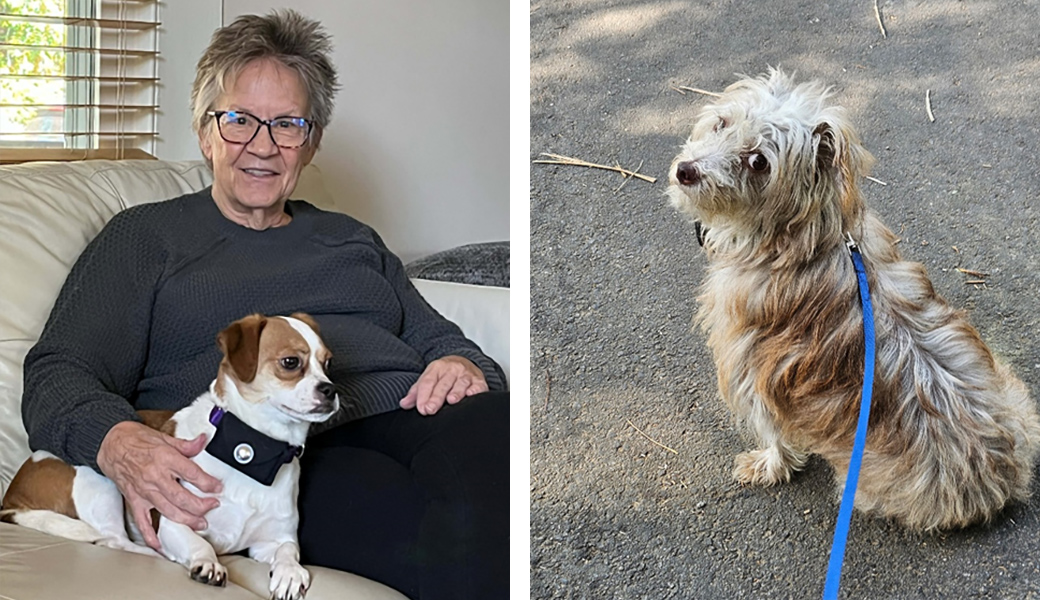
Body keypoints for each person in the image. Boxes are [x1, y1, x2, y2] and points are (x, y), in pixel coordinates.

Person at [20, 9, 508, 600]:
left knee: (500, 437)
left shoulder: (351, 238)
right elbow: (57, 372)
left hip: (416, 413)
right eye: (239, 120)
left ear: (311, 142)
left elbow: (436, 333)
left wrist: (458, 362)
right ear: (205, 132)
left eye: (287, 125)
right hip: (271, 455)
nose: (263, 145)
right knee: (444, 534)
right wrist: (116, 441)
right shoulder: (144, 239)